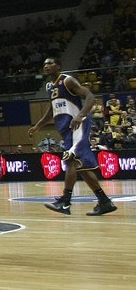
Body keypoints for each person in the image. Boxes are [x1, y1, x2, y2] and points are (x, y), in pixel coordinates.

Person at [28, 58, 117, 216]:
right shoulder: (50, 86)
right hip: (67, 129)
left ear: (58, 66)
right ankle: (104, 202)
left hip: (78, 125)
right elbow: (52, 109)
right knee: (81, 167)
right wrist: (38, 126)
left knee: (69, 160)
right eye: (44, 64)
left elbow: (90, 97)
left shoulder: (67, 81)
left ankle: (65, 202)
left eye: (50, 63)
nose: (47, 66)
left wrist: (80, 115)